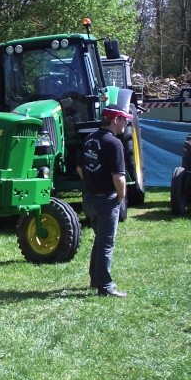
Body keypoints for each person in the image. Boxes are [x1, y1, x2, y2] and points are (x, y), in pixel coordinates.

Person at [76, 104, 131, 298]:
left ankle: (95, 280)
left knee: (99, 242)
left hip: (89, 200)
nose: (126, 123)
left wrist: (92, 183)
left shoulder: (90, 139)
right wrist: (121, 197)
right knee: (106, 243)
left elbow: (80, 169)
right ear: (116, 119)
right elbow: (119, 177)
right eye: (124, 119)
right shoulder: (114, 143)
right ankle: (105, 286)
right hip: (107, 200)